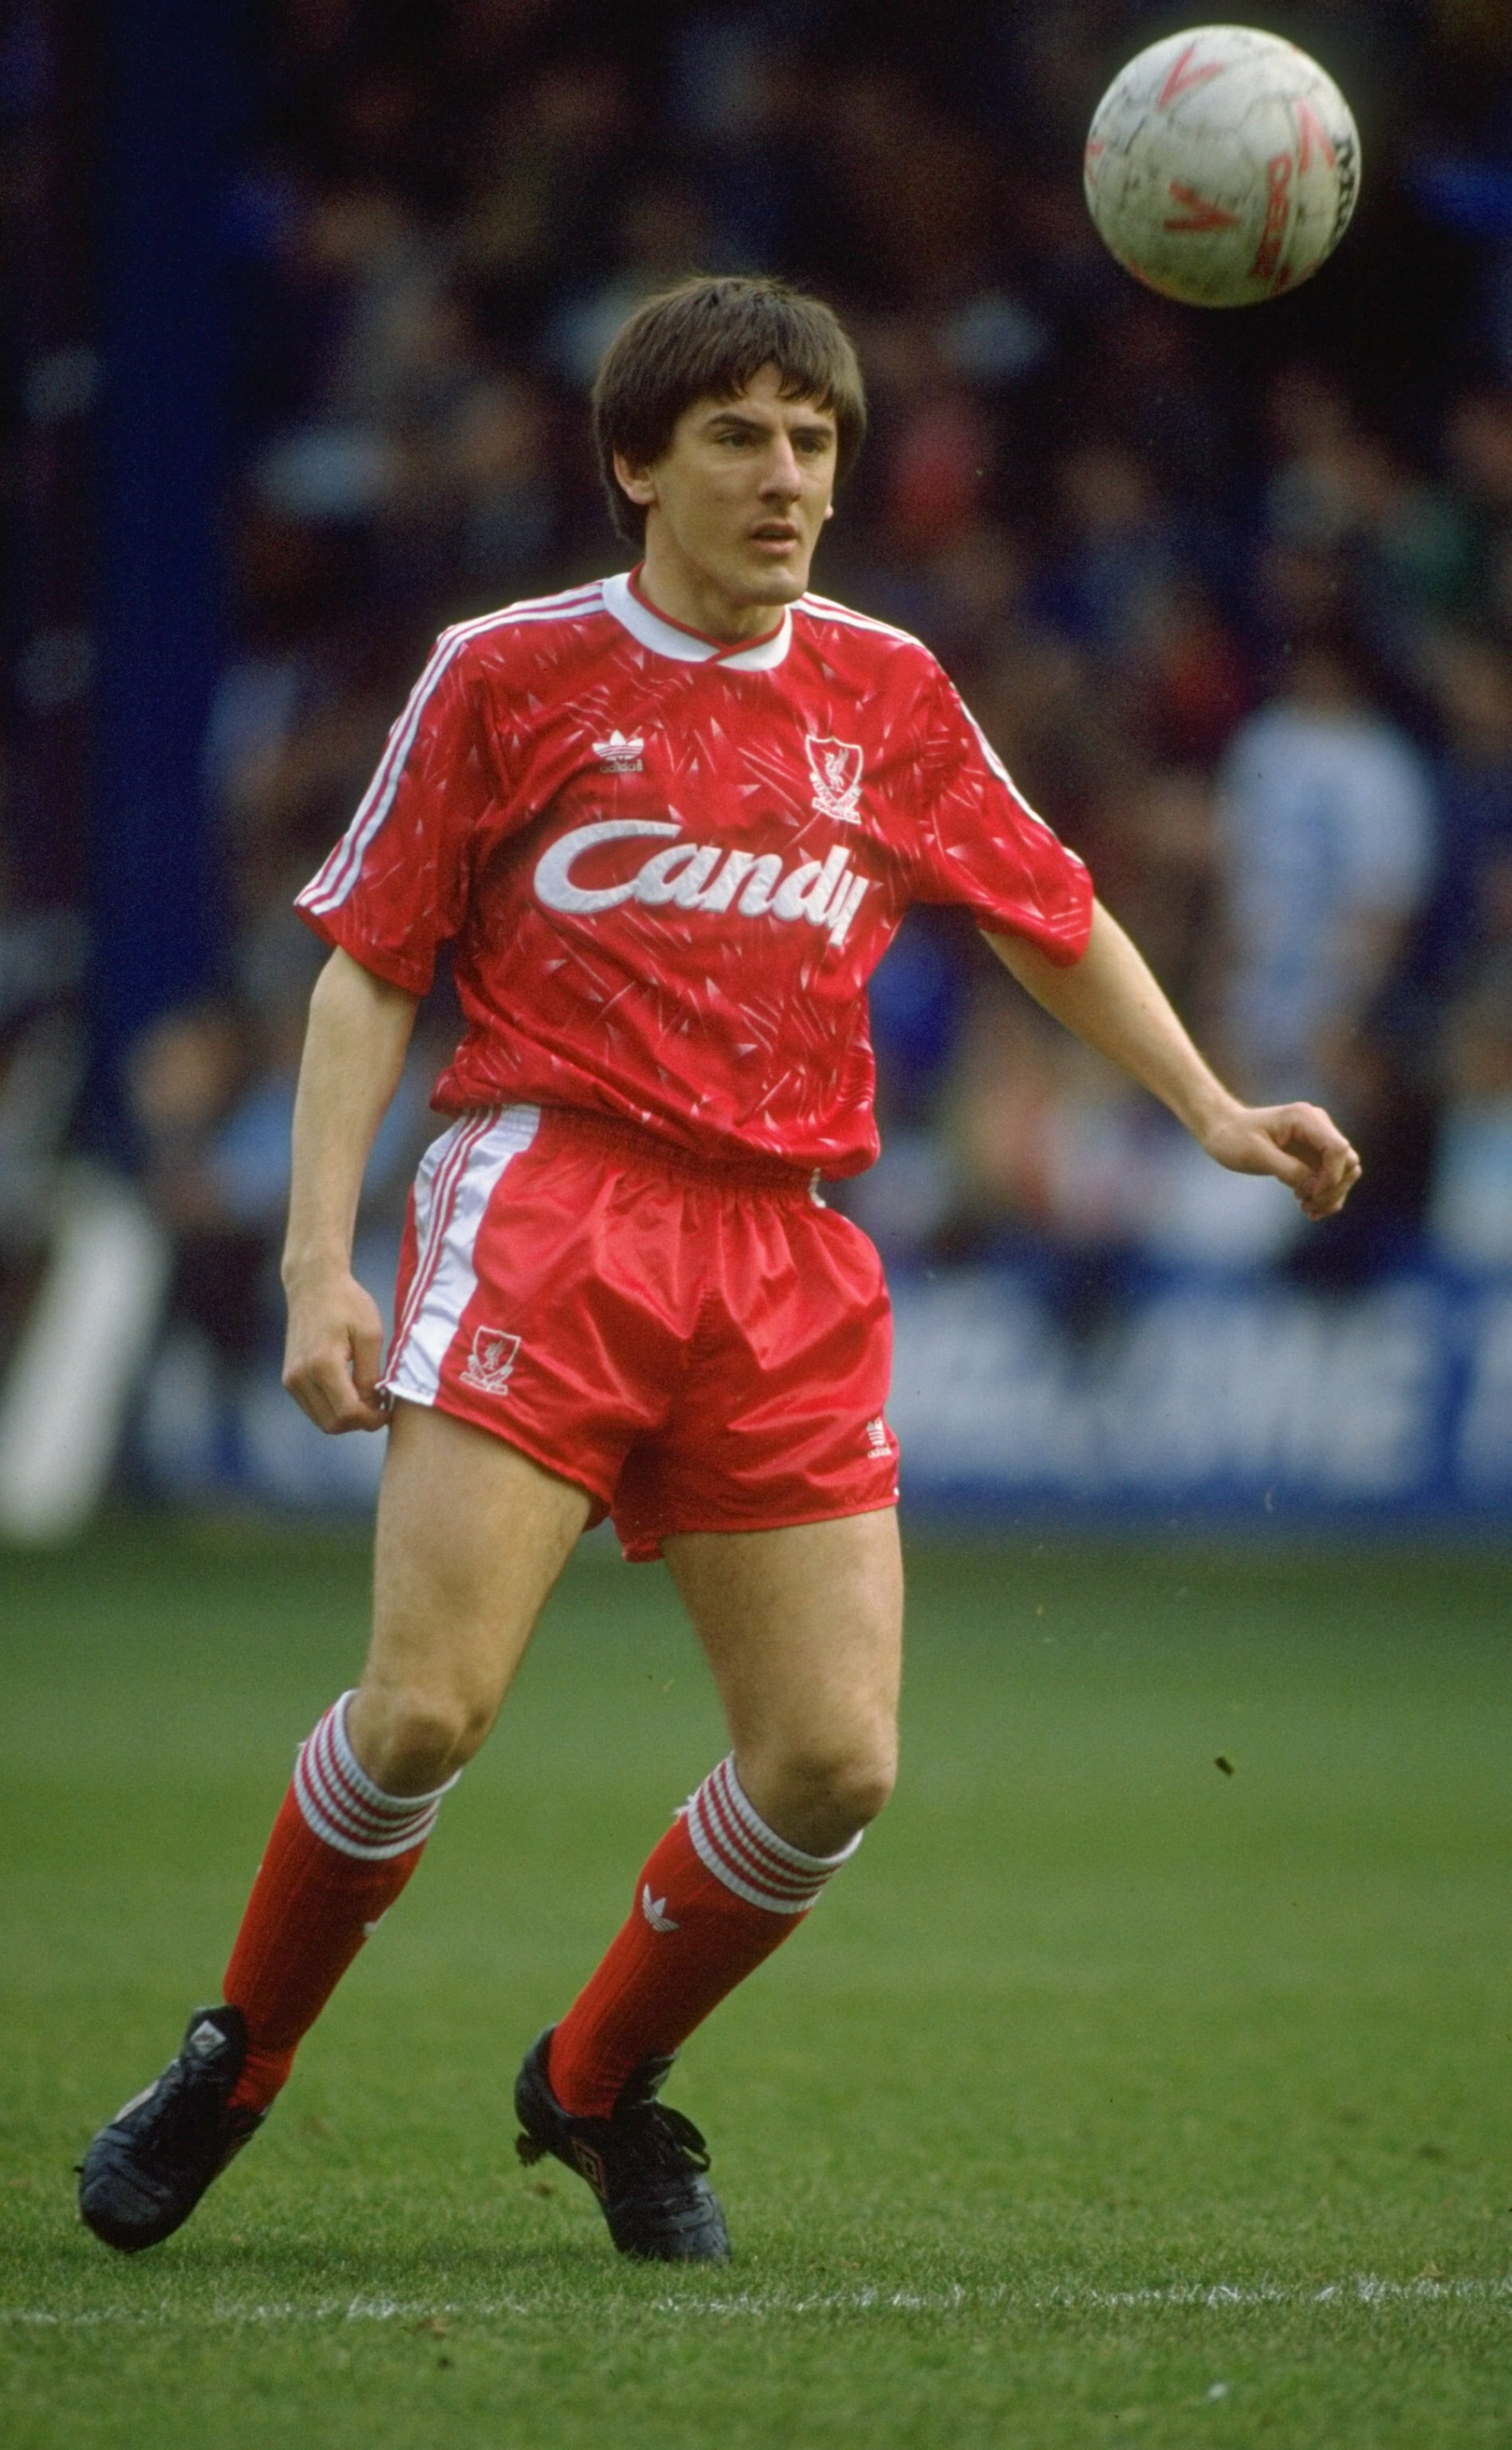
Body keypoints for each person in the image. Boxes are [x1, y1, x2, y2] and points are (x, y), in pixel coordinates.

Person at [78, 276, 1360, 2265]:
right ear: (634, 465)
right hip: (553, 1204)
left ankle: (592, 2088)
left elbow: (1050, 910)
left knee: (835, 1763)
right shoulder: (506, 674)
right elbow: (371, 965)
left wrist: (1206, 1108)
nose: (790, 480)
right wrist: (318, 1261)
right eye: (743, 438)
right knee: (423, 1717)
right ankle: (237, 2058)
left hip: (787, 1245)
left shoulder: (888, 690)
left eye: (818, 440)